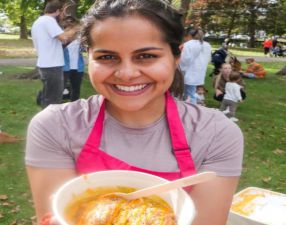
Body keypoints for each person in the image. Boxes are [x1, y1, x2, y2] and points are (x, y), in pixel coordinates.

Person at [25, 1, 244, 225]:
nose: (126, 74)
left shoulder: (217, 134)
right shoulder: (56, 126)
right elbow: (62, 212)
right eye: (107, 57)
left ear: (176, 56)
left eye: (146, 56)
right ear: (88, 57)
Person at [31, 0, 78, 108]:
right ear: (57, 11)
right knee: (54, 98)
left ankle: (44, 118)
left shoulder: (39, 21)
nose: (63, 15)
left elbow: (62, 41)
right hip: (52, 66)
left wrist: (71, 32)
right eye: (62, 12)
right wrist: (76, 28)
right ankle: (50, 121)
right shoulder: (49, 20)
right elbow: (64, 37)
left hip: (45, 65)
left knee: (48, 96)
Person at [179, 28, 211, 104]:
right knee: (192, 93)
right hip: (199, 73)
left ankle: (189, 110)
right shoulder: (207, 45)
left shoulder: (188, 45)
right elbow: (209, 59)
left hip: (187, 72)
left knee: (188, 94)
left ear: (189, 35)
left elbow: (185, 60)